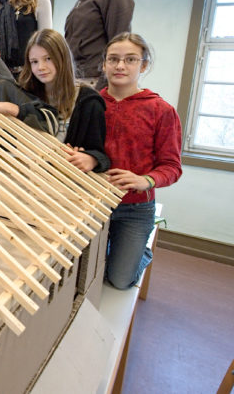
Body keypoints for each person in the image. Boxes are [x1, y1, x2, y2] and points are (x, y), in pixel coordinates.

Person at [100, 32, 182, 290]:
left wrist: (145, 180)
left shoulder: (161, 110)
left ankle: (140, 252)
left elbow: (172, 167)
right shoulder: (91, 103)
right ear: (104, 64)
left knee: (120, 280)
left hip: (135, 209)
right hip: (94, 203)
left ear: (143, 65)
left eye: (130, 59)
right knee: (86, 271)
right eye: (113, 59)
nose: (120, 66)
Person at [17, 29, 109, 172]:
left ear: (62, 58)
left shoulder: (89, 101)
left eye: (48, 59)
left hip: (66, 183)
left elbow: (98, 152)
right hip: (28, 176)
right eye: (34, 61)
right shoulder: (24, 94)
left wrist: (91, 159)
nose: (41, 67)